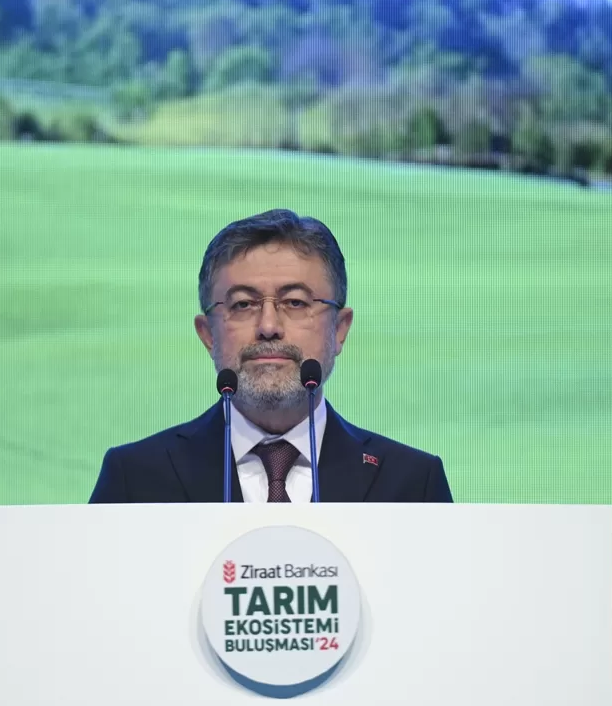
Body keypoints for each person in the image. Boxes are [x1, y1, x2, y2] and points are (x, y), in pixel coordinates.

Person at [89, 209, 453, 503]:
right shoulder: (135, 478)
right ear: (207, 334)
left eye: (295, 302)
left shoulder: (411, 484)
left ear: (340, 329)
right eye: (242, 304)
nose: (268, 326)